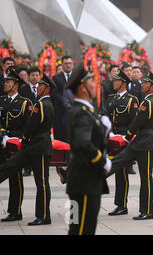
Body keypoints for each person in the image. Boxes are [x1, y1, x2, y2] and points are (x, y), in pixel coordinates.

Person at [0, 74, 56, 225]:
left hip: (39, 147)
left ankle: (44, 216)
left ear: (47, 88)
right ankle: (34, 214)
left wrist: (24, 138)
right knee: (10, 167)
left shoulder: (42, 105)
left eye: (40, 86)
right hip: (34, 146)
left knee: (42, 183)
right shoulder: (44, 104)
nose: (37, 88)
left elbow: (32, 126)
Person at [106, 72, 153, 220]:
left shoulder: (149, 102)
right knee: (116, 164)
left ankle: (147, 211)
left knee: (146, 178)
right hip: (139, 142)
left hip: (146, 142)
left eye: (145, 83)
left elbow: (137, 122)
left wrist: (127, 137)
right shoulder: (148, 101)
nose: (142, 85)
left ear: (152, 86)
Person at [65, 64, 111, 235]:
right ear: (82, 88)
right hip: (85, 180)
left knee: (77, 228)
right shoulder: (82, 112)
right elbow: (83, 143)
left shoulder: (84, 110)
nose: (94, 84)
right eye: (91, 81)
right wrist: (102, 160)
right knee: (84, 229)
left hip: (82, 180)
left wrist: (103, 130)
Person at [104, 70, 139, 216]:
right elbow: (105, 115)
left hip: (124, 140)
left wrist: (127, 138)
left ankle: (121, 205)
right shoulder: (111, 98)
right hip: (112, 139)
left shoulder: (132, 100)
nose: (113, 82)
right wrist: (110, 132)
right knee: (115, 170)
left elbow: (134, 122)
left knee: (122, 173)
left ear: (124, 84)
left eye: (117, 81)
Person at [0, 69, 32, 222]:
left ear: (15, 85)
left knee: (15, 178)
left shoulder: (25, 103)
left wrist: (20, 140)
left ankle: (15, 211)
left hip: (16, 146)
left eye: (8, 81)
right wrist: (2, 134)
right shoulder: (2, 101)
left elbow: (28, 126)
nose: (5, 83)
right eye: (5, 81)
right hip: (2, 144)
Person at [52, 55, 74, 143]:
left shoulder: (77, 77)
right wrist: (65, 103)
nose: (68, 65)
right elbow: (54, 95)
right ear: (62, 65)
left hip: (74, 112)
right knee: (61, 142)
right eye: (66, 64)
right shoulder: (56, 78)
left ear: (72, 65)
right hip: (61, 114)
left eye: (70, 63)